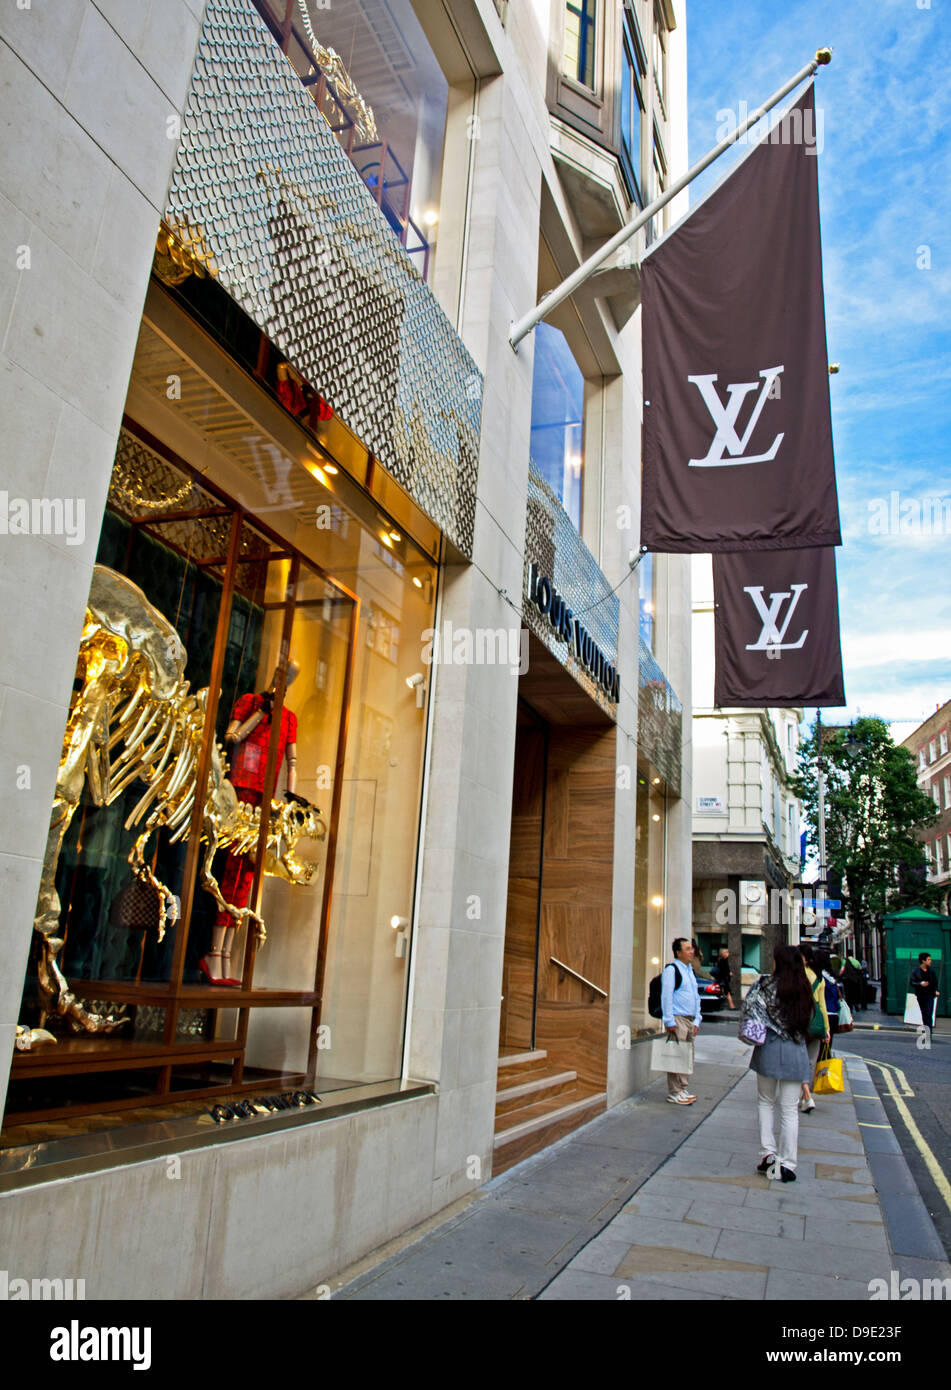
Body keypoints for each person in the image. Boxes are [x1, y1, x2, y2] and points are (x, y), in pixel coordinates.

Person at [740, 945, 814, 1182]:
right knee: (790, 1109)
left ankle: (768, 1153)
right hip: (795, 1051)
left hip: (769, 1049)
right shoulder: (804, 989)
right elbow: (810, 1022)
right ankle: (788, 1164)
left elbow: (749, 1010)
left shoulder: (764, 986)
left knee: (765, 1102)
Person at [661, 937, 702, 1105]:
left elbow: (696, 996)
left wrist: (697, 1020)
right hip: (677, 1019)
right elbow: (666, 996)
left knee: (686, 1056)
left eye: (692, 948)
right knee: (676, 1056)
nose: (692, 951)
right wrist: (669, 1020)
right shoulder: (672, 970)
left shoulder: (689, 970)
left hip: (690, 1020)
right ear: (678, 953)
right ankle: (674, 1091)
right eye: (687, 949)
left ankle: (683, 1088)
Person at [797, 942, 830, 1113]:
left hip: (801, 1021)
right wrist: (826, 1029)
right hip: (816, 1023)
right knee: (810, 1062)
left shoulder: (797, 975)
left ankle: (806, 1096)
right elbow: (822, 1006)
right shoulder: (819, 978)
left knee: (798, 1060)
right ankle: (805, 1097)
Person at [910, 952, 940, 1037]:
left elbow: (935, 982)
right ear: (923, 961)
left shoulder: (931, 971)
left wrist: (936, 990)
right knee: (924, 1013)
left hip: (930, 995)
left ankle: (929, 1033)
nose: (930, 961)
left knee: (929, 1013)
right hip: (921, 995)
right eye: (929, 959)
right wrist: (920, 983)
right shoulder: (916, 971)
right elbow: (912, 982)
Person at [813, 948, 840, 1038]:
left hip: (823, 1015)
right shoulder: (832, 977)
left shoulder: (819, 978)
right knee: (826, 1048)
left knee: (819, 1049)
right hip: (834, 1014)